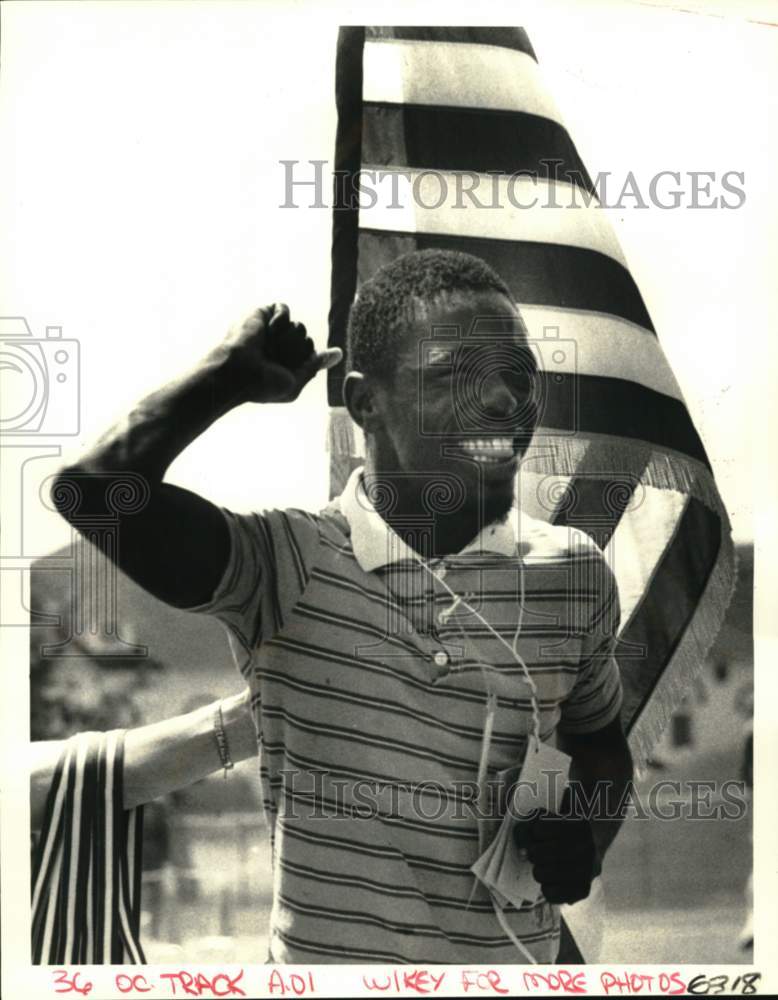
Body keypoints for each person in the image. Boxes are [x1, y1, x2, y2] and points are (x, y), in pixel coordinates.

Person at [52, 248, 633, 964]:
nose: (506, 402)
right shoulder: (284, 562)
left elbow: (602, 746)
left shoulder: (572, 573)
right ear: (365, 403)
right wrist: (222, 381)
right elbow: (93, 491)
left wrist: (586, 833)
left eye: (520, 377)